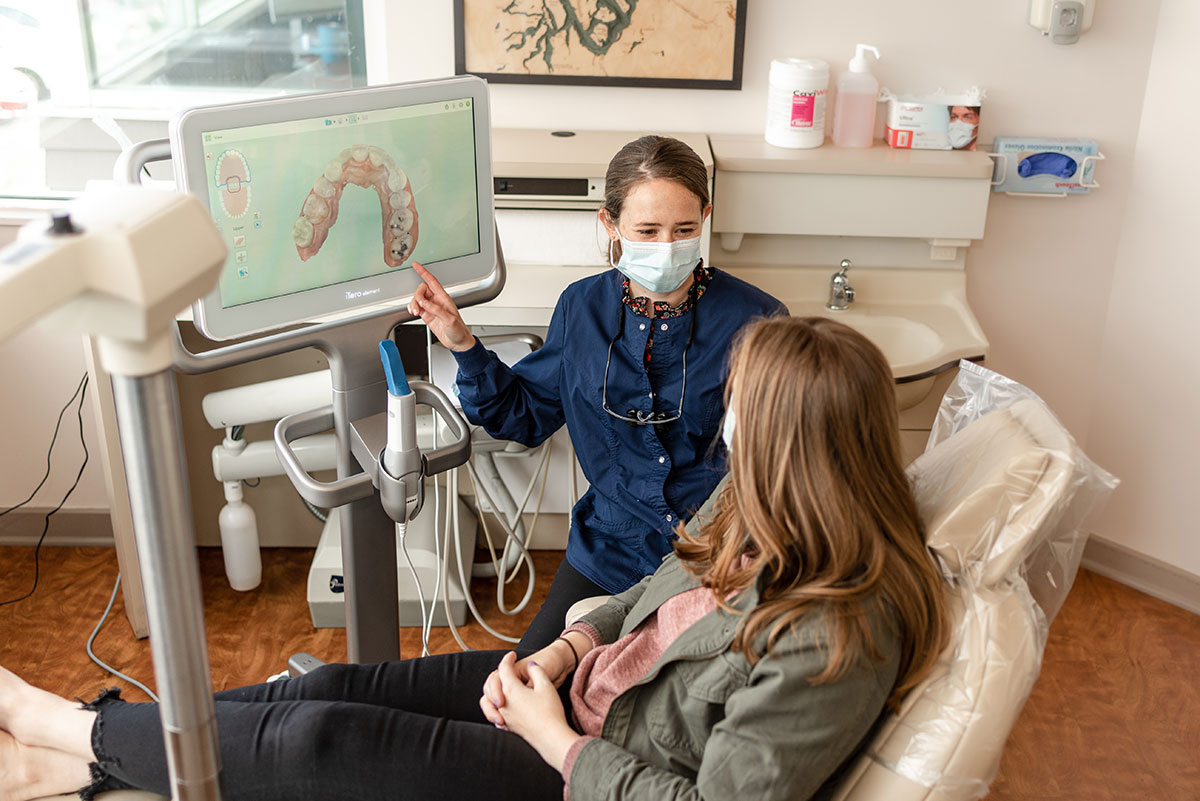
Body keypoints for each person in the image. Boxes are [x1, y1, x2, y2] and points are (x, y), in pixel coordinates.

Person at [0, 316, 948, 801]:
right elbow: (656, 588)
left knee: (317, 744)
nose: (722, 417)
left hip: (585, 764)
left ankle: (59, 729)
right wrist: (566, 652)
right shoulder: (756, 498)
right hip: (576, 691)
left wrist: (554, 736)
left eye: (738, 402)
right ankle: (84, 759)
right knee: (328, 688)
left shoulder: (835, 638)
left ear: (788, 439)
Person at [408, 134, 786, 650]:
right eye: (647, 231)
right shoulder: (582, 308)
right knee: (526, 681)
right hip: (612, 548)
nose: (667, 247)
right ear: (611, 224)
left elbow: (781, 465)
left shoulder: (758, 319)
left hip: (717, 557)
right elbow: (522, 418)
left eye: (684, 230)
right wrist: (461, 342)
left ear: (706, 217)